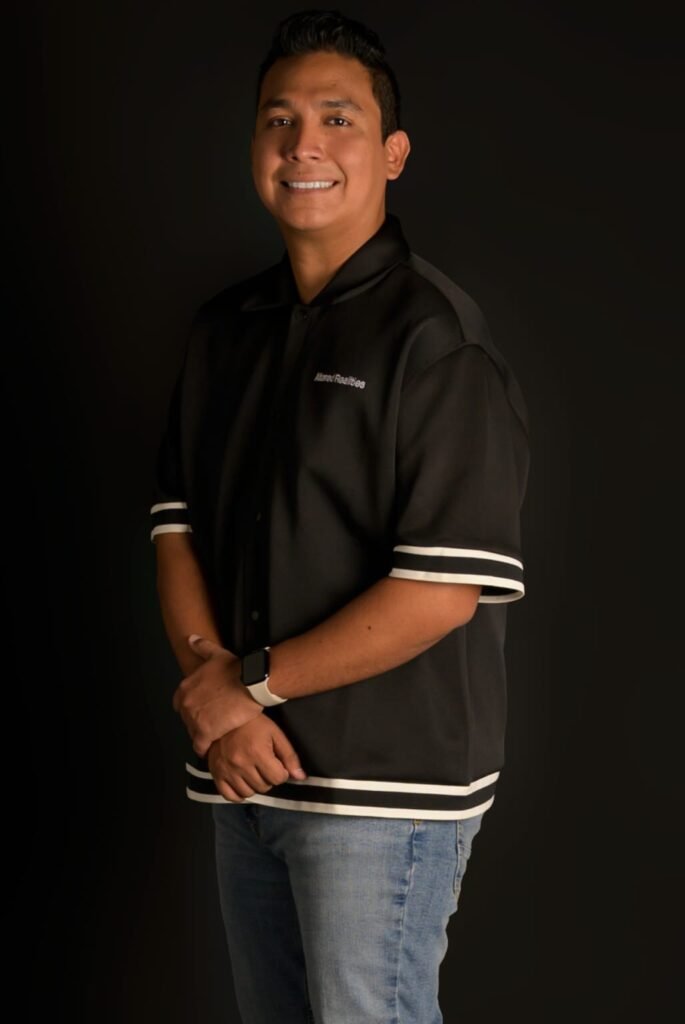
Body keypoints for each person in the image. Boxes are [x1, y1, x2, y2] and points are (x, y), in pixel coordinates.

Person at [149, 9, 530, 1023]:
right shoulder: (224, 331)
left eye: (337, 118)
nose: (303, 144)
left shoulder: (436, 343)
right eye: (279, 120)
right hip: (242, 772)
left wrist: (246, 688)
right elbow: (176, 529)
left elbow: (439, 594)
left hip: (380, 792)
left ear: (392, 153)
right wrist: (215, 696)